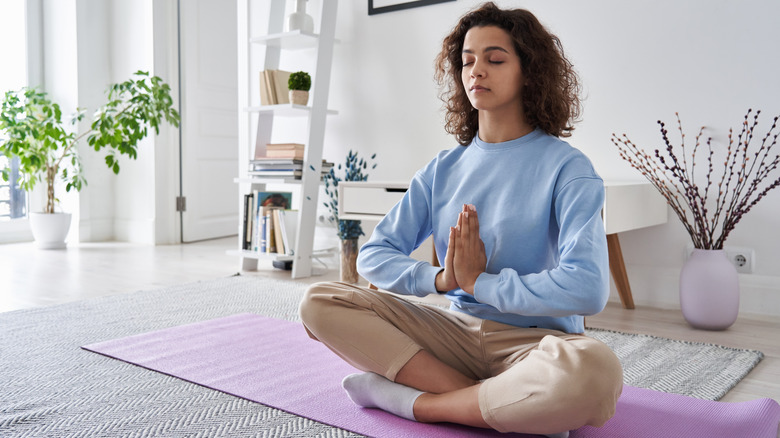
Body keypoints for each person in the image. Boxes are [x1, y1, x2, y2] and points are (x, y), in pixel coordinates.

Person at [299, 2, 623, 436]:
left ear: (529, 71)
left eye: (494, 59)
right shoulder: (442, 169)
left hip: (536, 345)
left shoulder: (569, 168)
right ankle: (501, 403)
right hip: (452, 333)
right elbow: (373, 255)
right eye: (467, 61)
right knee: (319, 302)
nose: (476, 71)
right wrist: (442, 281)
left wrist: (480, 282)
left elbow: (589, 287)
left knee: (595, 369)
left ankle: (420, 404)